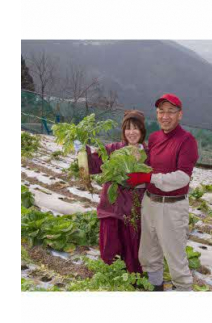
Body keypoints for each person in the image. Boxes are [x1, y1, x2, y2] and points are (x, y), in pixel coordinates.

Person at [127, 93, 199, 291]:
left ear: (180, 115)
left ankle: (183, 289)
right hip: (150, 202)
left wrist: (148, 178)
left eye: (170, 112)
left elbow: (183, 177)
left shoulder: (187, 140)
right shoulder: (155, 137)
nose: (165, 116)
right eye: (161, 111)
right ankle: (155, 288)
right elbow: (149, 166)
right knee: (149, 254)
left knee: (176, 258)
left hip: (172, 206)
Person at [77, 110, 148, 273]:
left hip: (134, 213)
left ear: (142, 131)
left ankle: (131, 282)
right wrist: (81, 148)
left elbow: (154, 178)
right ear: (123, 130)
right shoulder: (113, 149)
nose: (131, 132)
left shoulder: (148, 153)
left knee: (132, 255)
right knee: (110, 252)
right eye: (128, 128)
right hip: (111, 210)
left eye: (136, 128)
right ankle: (110, 281)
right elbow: (93, 166)